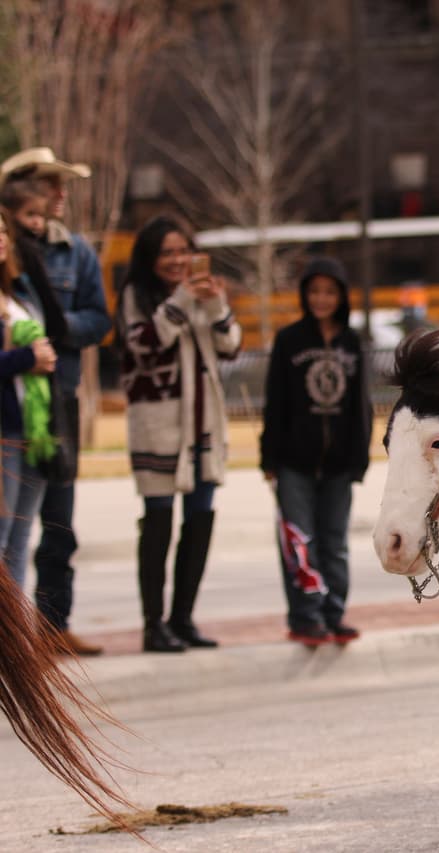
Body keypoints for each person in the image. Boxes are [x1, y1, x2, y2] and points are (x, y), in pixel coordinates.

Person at [0, 147, 111, 657]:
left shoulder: (74, 251)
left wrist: (60, 333)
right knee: (11, 531)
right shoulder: (14, 259)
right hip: (14, 408)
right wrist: (27, 354)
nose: (60, 195)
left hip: (54, 402)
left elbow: (98, 319)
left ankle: (49, 626)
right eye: (51, 184)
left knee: (56, 524)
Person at [115, 216, 242, 653]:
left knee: (200, 516)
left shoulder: (202, 295)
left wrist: (216, 304)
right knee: (158, 518)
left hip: (204, 425)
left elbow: (230, 346)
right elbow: (143, 345)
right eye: (167, 252)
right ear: (151, 258)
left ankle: (183, 618)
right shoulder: (136, 295)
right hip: (160, 427)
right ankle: (154, 625)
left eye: (183, 250)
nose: (177, 260)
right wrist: (183, 298)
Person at [260, 257, 371, 647]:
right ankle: (306, 618)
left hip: (339, 463)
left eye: (329, 291)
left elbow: (361, 404)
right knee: (299, 542)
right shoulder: (289, 339)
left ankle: (333, 614)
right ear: (305, 296)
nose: (321, 299)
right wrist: (269, 458)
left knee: (335, 543)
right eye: (314, 291)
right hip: (294, 463)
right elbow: (275, 401)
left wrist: (360, 458)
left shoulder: (352, 341)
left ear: (341, 296)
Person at [0, 208, 66, 596]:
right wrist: (29, 358)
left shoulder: (18, 290)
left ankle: (17, 648)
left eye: (3, 229)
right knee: (2, 538)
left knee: (19, 541)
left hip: (33, 425)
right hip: (4, 430)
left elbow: (54, 327)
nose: (2, 237)